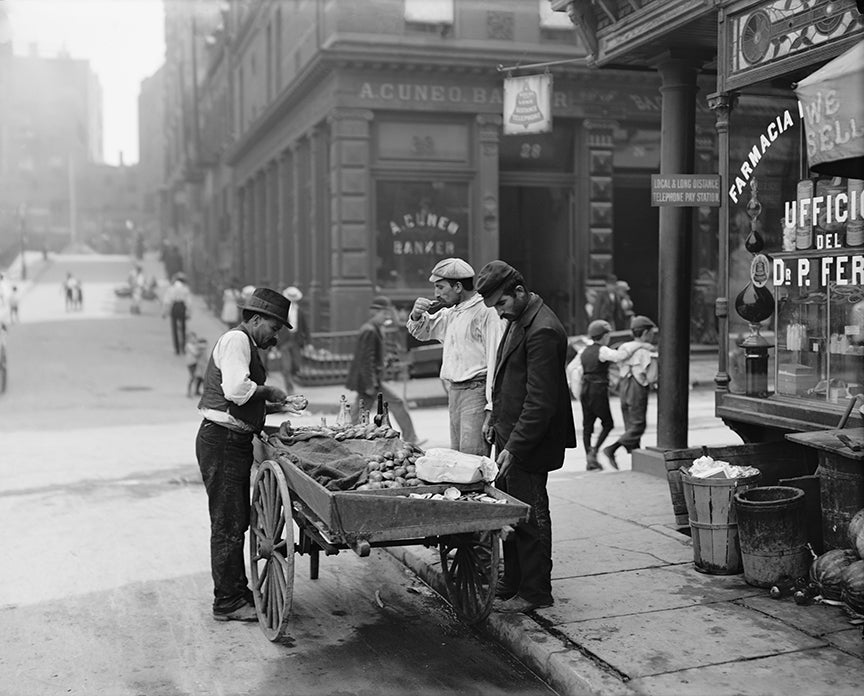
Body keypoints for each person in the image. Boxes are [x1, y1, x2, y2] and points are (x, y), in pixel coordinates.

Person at [195, 287, 304, 622]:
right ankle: (226, 602)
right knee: (228, 523)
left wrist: (278, 405)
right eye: (273, 328)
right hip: (223, 442)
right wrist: (271, 390)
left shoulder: (247, 344)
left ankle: (236, 589)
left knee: (236, 520)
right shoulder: (236, 341)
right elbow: (236, 391)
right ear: (257, 319)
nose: (274, 336)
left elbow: (243, 400)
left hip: (232, 440)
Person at [476, 260, 576, 614]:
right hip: (511, 433)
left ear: (518, 291)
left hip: (529, 442)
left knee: (531, 514)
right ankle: (513, 580)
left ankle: (535, 591)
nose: (500, 313)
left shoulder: (543, 329)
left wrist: (514, 447)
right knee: (510, 511)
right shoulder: (520, 318)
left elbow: (540, 402)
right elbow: (509, 379)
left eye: (502, 304)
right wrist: (494, 418)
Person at [406, 258, 504, 455]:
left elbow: (497, 360)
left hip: (476, 391)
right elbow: (422, 331)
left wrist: (492, 407)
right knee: (459, 458)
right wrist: (416, 315)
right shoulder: (452, 313)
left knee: (472, 459)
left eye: (441, 287)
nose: (436, 294)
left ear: (458, 286)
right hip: (455, 392)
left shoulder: (486, 312)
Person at [571, 320, 651, 471]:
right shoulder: (603, 351)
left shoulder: (583, 351)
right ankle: (596, 451)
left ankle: (589, 457)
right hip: (598, 390)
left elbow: (572, 368)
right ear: (606, 336)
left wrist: (577, 389)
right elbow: (620, 356)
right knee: (608, 424)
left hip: (585, 390)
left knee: (587, 425)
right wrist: (640, 345)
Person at [345, 295, 420, 444]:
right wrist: (370, 383)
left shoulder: (375, 329)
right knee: (391, 404)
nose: (386, 316)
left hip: (371, 379)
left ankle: (347, 437)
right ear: (374, 313)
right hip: (370, 380)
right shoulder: (370, 331)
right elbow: (365, 360)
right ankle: (411, 439)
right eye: (384, 313)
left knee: (359, 410)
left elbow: (372, 357)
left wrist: (384, 362)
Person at [602, 315, 658, 469]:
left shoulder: (624, 348)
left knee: (630, 425)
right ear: (646, 333)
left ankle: (636, 461)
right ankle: (611, 449)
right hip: (636, 388)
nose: (653, 335)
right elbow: (652, 377)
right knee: (638, 425)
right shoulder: (646, 352)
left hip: (623, 387)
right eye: (652, 332)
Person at [277, 286, 309, 394]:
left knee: (296, 365)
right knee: (286, 367)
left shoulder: (300, 311)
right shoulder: (281, 311)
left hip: (296, 340)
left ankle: (292, 378)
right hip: (285, 341)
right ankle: (290, 389)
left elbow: (305, 327)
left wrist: (309, 342)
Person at [163, 272, 191, 355]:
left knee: (174, 328)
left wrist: (165, 312)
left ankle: (177, 349)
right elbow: (188, 302)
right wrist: (188, 312)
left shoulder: (171, 289)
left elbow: (167, 301)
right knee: (183, 328)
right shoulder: (185, 289)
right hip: (182, 307)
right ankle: (183, 348)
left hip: (174, 307)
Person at [184, 331, 201, 397]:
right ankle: (189, 392)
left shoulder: (194, 345)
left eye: (194, 338)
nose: (193, 339)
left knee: (197, 376)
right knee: (192, 377)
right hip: (190, 363)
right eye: (192, 338)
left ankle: (195, 390)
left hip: (195, 362)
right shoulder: (188, 345)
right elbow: (195, 353)